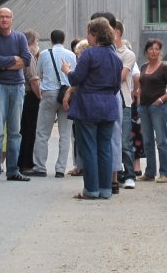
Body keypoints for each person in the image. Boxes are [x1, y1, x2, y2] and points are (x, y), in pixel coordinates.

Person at [63, 17, 123, 200]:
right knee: (105, 148)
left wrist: (67, 70)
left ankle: (91, 190)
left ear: (95, 34)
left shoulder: (89, 54)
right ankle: (105, 189)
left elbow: (76, 79)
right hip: (108, 105)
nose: (87, 37)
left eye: (88, 33)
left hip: (88, 105)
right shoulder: (116, 58)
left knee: (89, 148)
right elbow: (116, 86)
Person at [0, 7, 32, 183]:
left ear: (12, 19)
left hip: (17, 87)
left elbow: (26, 60)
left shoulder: (20, 38)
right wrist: (14, 60)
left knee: (15, 132)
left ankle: (13, 170)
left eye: (7, 17)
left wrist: (3, 64)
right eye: (1, 17)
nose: (4, 19)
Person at [29, 29, 75, 177]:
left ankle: (40, 167)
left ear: (51, 39)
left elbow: (38, 73)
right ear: (64, 40)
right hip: (67, 95)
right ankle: (60, 169)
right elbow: (74, 76)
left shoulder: (44, 54)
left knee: (42, 133)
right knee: (65, 134)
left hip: (49, 94)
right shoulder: (71, 55)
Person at [135, 39, 167, 184]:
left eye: (157, 49)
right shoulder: (143, 67)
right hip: (144, 107)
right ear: (146, 51)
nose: (154, 52)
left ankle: (164, 173)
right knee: (147, 141)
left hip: (158, 107)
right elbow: (141, 86)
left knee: (161, 141)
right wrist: (138, 101)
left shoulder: (165, 68)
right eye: (151, 49)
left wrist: (160, 100)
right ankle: (150, 172)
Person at [113, 20, 138, 189]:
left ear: (117, 32)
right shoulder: (106, 51)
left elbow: (121, 77)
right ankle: (117, 174)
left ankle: (130, 175)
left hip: (124, 101)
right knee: (112, 140)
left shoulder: (127, 54)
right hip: (108, 99)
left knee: (124, 141)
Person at [17, 30, 42, 176]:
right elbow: (33, 80)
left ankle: (18, 161)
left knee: (19, 130)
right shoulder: (29, 56)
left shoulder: (16, 54)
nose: (37, 45)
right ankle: (26, 163)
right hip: (30, 97)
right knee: (30, 131)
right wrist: (40, 96)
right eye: (37, 42)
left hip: (19, 95)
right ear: (31, 43)